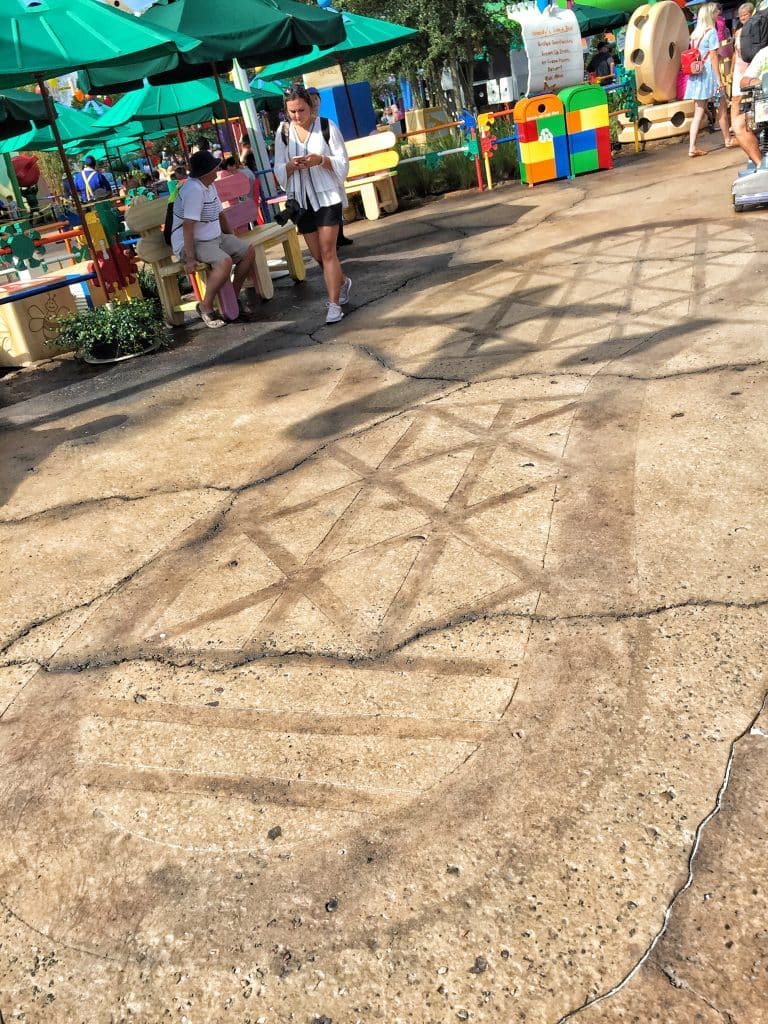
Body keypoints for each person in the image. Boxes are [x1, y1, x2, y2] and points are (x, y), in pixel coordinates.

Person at [274, 84, 351, 325]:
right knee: (318, 256)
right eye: (292, 111)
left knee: (329, 253)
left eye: (301, 110)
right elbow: (277, 166)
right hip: (300, 200)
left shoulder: (327, 127)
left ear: (310, 106)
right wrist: (289, 166)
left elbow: (343, 161)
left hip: (327, 197)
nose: (297, 116)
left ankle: (334, 305)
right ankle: (343, 282)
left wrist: (322, 160)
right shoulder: (283, 132)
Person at [170, 150, 260, 329]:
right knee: (224, 261)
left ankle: (233, 299)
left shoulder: (209, 186)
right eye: (214, 167)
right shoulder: (193, 190)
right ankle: (205, 305)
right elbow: (188, 227)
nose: (217, 168)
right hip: (192, 242)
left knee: (248, 250)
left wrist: (231, 238)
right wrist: (189, 258)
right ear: (206, 171)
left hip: (214, 237)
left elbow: (220, 215)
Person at [306, 86, 353, 248]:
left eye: (315, 99)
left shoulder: (327, 125)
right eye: (310, 100)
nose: (313, 103)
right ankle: (329, 242)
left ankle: (338, 237)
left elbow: (340, 153)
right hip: (313, 179)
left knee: (334, 206)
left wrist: (327, 161)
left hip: (329, 173)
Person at [685, 3, 730, 156]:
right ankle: (728, 139)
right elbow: (713, 57)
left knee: (698, 113)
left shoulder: (694, 36)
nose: (718, 14)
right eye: (716, 13)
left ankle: (692, 147)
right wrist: (719, 80)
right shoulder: (711, 33)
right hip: (709, 77)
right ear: (710, 15)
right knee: (721, 107)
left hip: (697, 77)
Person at [736, 40, 768, 164]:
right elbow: (743, 81)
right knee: (739, 125)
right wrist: (753, 81)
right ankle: (761, 165)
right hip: (764, 108)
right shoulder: (763, 54)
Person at [730, 3, 755, 151]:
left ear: (752, 14)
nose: (743, 17)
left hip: (751, 66)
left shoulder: (754, 30)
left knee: (752, 96)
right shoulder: (738, 32)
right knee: (735, 99)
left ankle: (750, 126)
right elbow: (735, 51)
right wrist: (732, 68)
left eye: (746, 14)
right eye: (741, 15)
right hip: (740, 67)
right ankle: (735, 129)